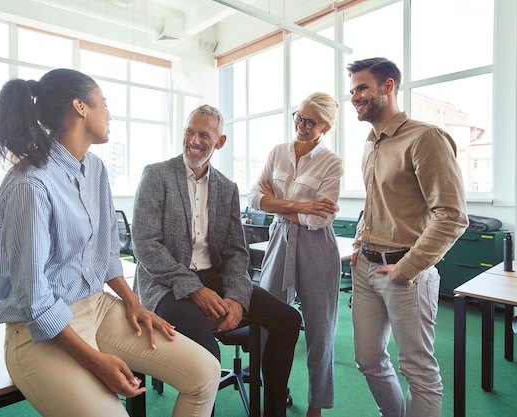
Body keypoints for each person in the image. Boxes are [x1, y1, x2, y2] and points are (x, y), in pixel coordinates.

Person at [0, 68, 220, 417]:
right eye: (105, 103)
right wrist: (95, 361)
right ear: (81, 107)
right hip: (40, 329)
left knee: (205, 372)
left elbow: (106, 253)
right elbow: (35, 301)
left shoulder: (94, 169)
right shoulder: (30, 185)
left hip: (96, 305)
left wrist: (133, 302)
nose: (109, 113)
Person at [131, 104, 303, 417]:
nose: (194, 140)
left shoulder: (227, 187)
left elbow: (237, 250)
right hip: (165, 285)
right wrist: (193, 288)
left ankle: (273, 412)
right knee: (207, 356)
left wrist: (237, 297)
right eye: (189, 132)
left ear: (219, 142)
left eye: (204, 135)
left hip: (216, 278)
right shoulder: (157, 176)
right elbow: (144, 245)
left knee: (288, 320)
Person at [346, 57, 468, 417]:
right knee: (368, 360)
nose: (354, 96)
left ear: (388, 87)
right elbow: (374, 203)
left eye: (362, 87)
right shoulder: (371, 145)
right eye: (352, 89)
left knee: (418, 371)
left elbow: (451, 215)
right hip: (366, 268)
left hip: (406, 272)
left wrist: (408, 267)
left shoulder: (425, 138)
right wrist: (357, 241)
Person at [247, 92, 342, 417]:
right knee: (267, 319)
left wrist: (278, 204)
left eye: (310, 121)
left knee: (320, 328)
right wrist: (300, 205)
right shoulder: (278, 152)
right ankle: (274, 389)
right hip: (280, 241)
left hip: (318, 246)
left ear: (325, 128)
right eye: (298, 117)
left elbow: (320, 218)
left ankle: (316, 403)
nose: (301, 125)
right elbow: (254, 197)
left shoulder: (332, 163)